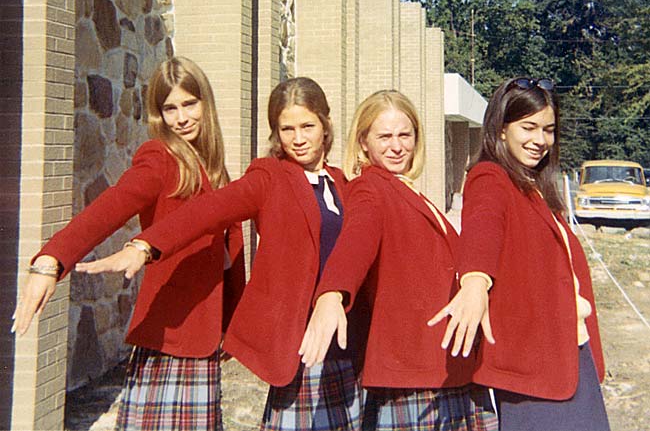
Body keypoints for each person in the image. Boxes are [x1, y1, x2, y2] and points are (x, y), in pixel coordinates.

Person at [75, 77, 368, 431]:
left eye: (307, 126)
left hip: (348, 341)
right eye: (287, 129)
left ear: (326, 125)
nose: (299, 138)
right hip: (302, 344)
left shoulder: (344, 184)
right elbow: (208, 211)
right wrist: (145, 245)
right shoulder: (270, 176)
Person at [12, 56, 246, 431]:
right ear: (159, 115)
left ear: (206, 104)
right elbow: (112, 205)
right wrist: (52, 260)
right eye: (170, 108)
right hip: (170, 335)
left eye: (189, 104)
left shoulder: (214, 169)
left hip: (203, 333)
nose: (181, 117)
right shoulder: (162, 159)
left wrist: (231, 325)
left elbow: (230, 256)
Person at [298, 90, 497, 431]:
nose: (396, 146)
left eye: (405, 135)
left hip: (448, 364)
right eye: (384, 136)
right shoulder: (370, 188)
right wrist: (332, 293)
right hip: (413, 372)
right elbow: (355, 240)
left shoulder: (408, 189)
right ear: (363, 143)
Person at [429, 77, 610, 431]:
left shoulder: (535, 187)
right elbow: (483, 228)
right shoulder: (489, 177)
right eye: (528, 127)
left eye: (548, 129)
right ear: (500, 130)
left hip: (572, 352)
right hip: (534, 367)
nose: (540, 140)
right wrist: (475, 282)